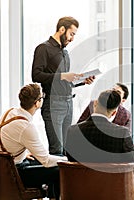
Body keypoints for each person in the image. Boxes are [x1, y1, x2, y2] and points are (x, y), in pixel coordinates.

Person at [31, 16, 94, 155]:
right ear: (62, 29)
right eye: (71, 34)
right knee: (57, 150)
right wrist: (63, 76)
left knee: (67, 150)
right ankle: (56, 177)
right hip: (53, 104)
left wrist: (82, 81)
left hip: (68, 103)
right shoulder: (43, 48)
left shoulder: (64, 52)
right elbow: (36, 75)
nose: (72, 38)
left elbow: (63, 81)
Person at [65, 89, 134, 199]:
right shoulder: (121, 133)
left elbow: (70, 160)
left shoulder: (72, 131)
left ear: (95, 104)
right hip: (112, 192)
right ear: (114, 112)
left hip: (81, 190)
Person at [0, 83, 67, 199]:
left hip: (5, 167)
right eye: (42, 96)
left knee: (56, 156)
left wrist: (23, 154)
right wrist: (67, 160)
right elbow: (46, 161)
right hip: (16, 173)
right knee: (60, 168)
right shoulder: (25, 126)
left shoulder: (9, 112)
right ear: (37, 103)